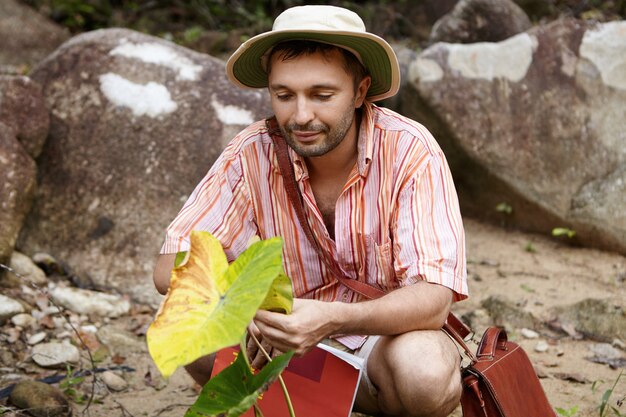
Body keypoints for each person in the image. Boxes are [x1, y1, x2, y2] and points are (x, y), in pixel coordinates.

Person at [153, 5, 468, 417]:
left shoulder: (410, 150)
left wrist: (333, 318)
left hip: (382, 344)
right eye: (284, 95)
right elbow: (169, 268)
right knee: (183, 317)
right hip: (282, 345)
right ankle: (296, 405)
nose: (301, 116)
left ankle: (375, 404)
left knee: (424, 373)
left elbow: (433, 299)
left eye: (322, 95)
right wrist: (246, 307)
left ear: (359, 92)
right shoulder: (251, 153)